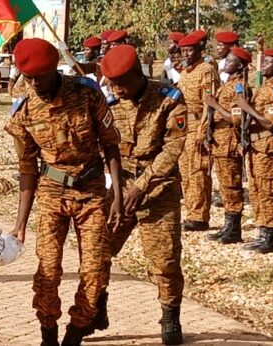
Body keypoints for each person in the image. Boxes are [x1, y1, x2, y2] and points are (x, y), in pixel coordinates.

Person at [5, 38, 123, 346]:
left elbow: (110, 144)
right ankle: (48, 334)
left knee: (96, 270)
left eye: (39, 77)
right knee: (48, 270)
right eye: (28, 77)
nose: (34, 83)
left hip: (92, 190)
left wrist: (118, 198)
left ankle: (75, 332)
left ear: (54, 69)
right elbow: (27, 169)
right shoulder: (23, 110)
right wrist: (20, 224)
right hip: (51, 193)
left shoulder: (87, 93)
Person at [97, 45, 187, 345]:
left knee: (165, 260)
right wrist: (121, 190)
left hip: (159, 190)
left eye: (121, 84)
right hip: (120, 188)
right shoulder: (108, 102)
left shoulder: (169, 99)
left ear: (138, 75)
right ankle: (97, 306)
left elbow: (172, 149)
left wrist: (142, 186)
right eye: (111, 84)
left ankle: (171, 314)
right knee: (99, 250)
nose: (116, 90)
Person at [233, 49, 273, 255]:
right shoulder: (262, 88)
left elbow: (270, 123)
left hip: (267, 148)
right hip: (254, 147)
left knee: (269, 191)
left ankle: (271, 237)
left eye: (268, 62)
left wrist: (247, 107)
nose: (263, 65)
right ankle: (263, 233)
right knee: (257, 190)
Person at [203, 47, 252, 244]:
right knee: (224, 184)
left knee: (232, 184)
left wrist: (215, 105)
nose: (226, 63)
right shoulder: (227, 84)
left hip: (229, 142)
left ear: (239, 66)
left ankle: (234, 229)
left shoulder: (239, 87)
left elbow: (236, 119)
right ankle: (228, 225)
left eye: (231, 61)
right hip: (219, 140)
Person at [177, 32, 219, 231]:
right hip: (183, 127)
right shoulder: (185, 72)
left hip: (197, 126)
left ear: (199, 50)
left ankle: (200, 216)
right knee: (185, 172)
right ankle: (191, 211)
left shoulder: (206, 70)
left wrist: (203, 131)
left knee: (198, 171)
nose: (185, 54)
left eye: (189, 50)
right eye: (183, 50)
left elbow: (209, 104)